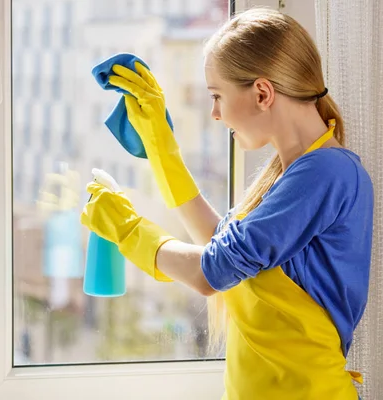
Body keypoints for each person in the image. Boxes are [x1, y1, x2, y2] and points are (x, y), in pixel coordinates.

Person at [80, 8, 373, 400]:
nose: (215, 114)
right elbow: (220, 246)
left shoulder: (328, 173)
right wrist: (159, 144)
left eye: (217, 96)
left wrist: (128, 230)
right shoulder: (293, 176)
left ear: (263, 93)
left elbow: (210, 272)